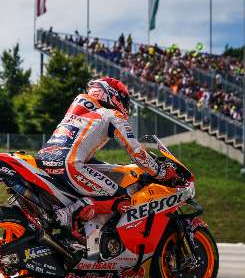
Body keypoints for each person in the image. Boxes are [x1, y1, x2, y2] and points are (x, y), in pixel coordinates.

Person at [37, 77, 179, 229]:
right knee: (123, 199)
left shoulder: (79, 106)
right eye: (123, 99)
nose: (125, 105)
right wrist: (160, 172)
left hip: (44, 160)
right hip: (70, 165)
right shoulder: (111, 115)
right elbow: (136, 152)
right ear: (112, 94)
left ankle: (76, 232)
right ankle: (67, 215)